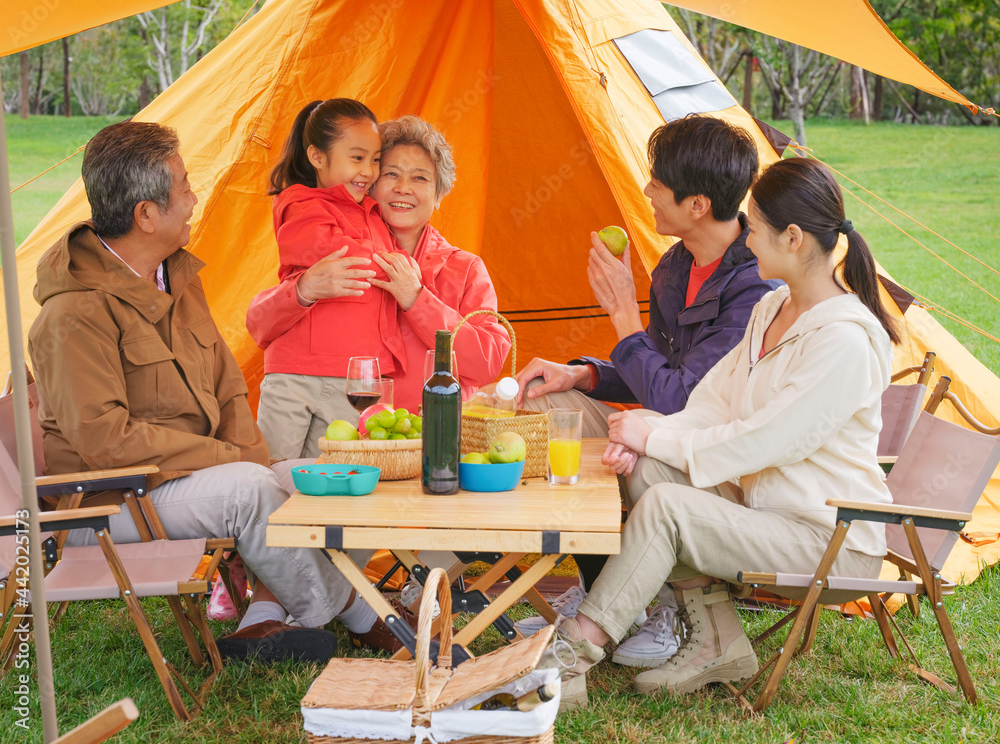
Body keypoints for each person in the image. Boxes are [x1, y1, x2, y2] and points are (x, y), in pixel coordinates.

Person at [27, 121, 401, 664]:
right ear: (146, 215)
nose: (194, 198)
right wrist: (234, 459)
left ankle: (263, 621)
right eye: (183, 186)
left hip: (186, 479)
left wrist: (247, 452)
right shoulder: (73, 315)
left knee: (323, 478)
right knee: (251, 490)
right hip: (108, 502)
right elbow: (107, 443)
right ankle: (366, 618)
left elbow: (226, 380)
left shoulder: (174, 275)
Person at [552, 156, 900, 710]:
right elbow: (713, 403)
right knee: (649, 469)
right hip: (761, 514)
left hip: (830, 541)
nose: (746, 239)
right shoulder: (771, 308)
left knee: (667, 504)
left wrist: (656, 437)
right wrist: (645, 429)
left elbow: (770, 439)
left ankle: (575, 650)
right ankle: (717, 639)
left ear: (792, 237)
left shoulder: (845, 340)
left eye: (755, 228)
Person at [513, 116, 779, 664]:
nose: (647, 191)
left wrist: (618, 312)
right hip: (668, 433)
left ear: (697, 204)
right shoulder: (677, 266)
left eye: (657, 182)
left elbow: (681, 399)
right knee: (551, 403)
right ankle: (609, 585)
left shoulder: (757, 289)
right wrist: (582, 374)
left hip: (719, 468)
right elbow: (654, 366)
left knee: (634, 460)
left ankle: (662, 604)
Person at [248, 115, 510, 419]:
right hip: (354, 435)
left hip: (437, 436)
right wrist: (304, 289)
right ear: (370, 183)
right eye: (391, 174)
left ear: (439, 195)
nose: (403, 188)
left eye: (420, 178)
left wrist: (417, 299)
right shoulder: (334, 244)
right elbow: (259, 325)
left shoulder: (465, 269)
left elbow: (487, 363)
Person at [248, 98, 405, 460]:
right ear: (318, 157)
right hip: (295, 374)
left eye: (376, 159)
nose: (368, 170)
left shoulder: (373, 214)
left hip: (354, 379)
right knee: (275, 477)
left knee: (337, 478)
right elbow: (340, 256)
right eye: (356, 157)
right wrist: (396, 265)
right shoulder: (300, 203)